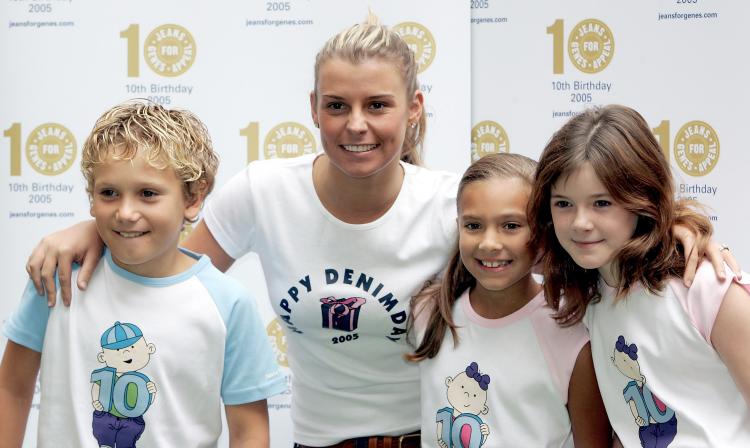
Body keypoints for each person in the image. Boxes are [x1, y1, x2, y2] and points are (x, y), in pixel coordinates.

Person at [21, 17, 734, 447]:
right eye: (337, 105)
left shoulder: (454, 207)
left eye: (377, 105)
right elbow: (169, 275)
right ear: (313, 108)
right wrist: (94, 225)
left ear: (414, 108)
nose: (355, 124)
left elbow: (568, 232)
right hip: (317, 440)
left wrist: (681, 231)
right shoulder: (262, 193)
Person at [0, 101, 286, 447]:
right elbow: (12, 388)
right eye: (109, 193)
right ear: (91, 197)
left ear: (193, 197)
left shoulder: (228, 303)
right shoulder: (58, 277)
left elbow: (249, 433)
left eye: (147, 194)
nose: (125, 212)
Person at [528, 104, 750, 447]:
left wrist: (674, 222)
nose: (580, 222)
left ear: (641, 197)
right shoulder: (587, 293)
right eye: (563, 203)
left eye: (602, 203)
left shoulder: (705, 286)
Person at [408, 153, 611, 447]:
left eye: (511, 226)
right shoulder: (428, 312)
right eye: (473, 225)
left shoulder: (573, 329)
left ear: (542, 232)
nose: (489, 243)